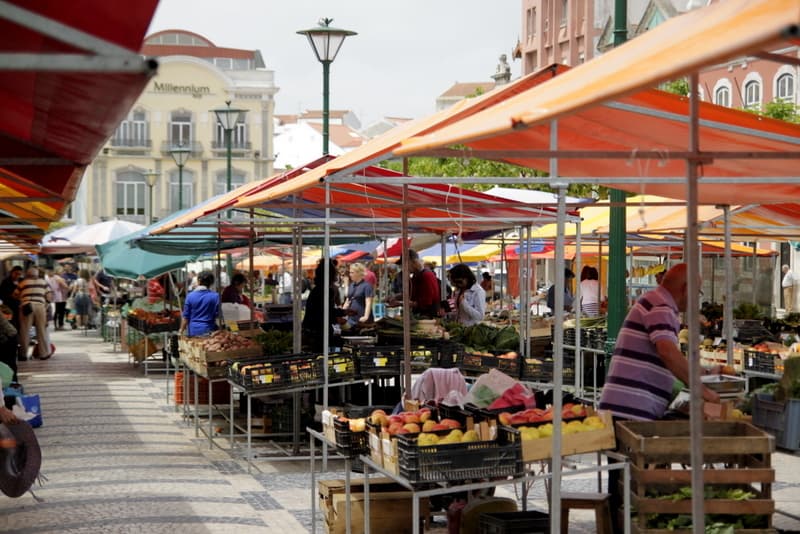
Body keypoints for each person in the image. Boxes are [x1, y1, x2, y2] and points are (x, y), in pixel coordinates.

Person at [599, 263, 722, 530]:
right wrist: (701, 389)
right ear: (686, 288)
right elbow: (667, 352)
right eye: (697, 292)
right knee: (628, 489)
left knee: (624, 485)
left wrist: (708, 372)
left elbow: (668, 358)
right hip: (630, 412)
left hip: (625, 409)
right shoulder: (662, 307)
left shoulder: (655, 302)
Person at [302, 259, 347, 352]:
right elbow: (324, 312)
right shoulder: (326, 290)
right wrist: (339, 316)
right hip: (319, 332)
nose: (336, 274)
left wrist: (343, 312)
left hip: (313, 330)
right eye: (335, 272)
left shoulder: (317, 289)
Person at [16, 266, 54, 360]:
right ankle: (44, 354)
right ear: (37, 274)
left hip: (26, 306)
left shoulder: (23, 282)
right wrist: (46, 305)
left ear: (27, 274)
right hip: (40, 306)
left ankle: (23, 355)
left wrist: (22, 299)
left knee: (25, 331)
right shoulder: (43, 282)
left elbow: (15, 294)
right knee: (41, 330)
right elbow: (49, 296)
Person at [180, 271, 219, 337]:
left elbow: (185, 317)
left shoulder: (190, 296)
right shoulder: (216, 296)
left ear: (198, 281)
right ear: (211, 283)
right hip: (209, 331)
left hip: (193, 331)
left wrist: (181, 330)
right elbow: (218, 316)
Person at [343, 263, 374, 327]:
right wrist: (343, 310)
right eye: (350, 272)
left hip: (362, 321)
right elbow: (348, 299)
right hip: (351, 319)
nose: (350, 275)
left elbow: (368, 302)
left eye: (352, 273)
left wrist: (366, 316)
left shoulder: (367, 286)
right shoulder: (351, 285)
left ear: (358, 273)